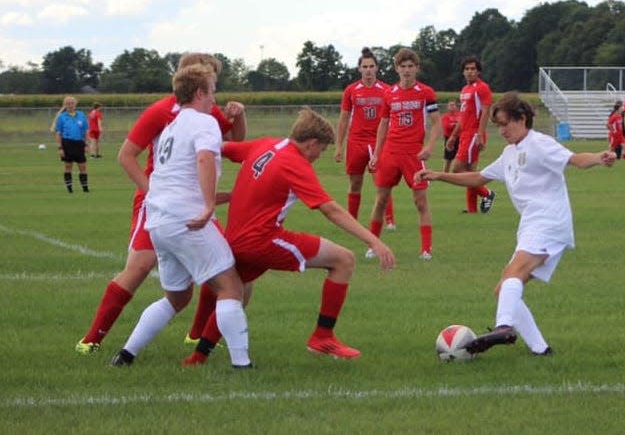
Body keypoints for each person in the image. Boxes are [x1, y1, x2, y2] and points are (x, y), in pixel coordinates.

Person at [181, 107, 395, 365]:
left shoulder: (266, 144)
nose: (319, 156)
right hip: (262, 241)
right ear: (312, 143)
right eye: (322, 150)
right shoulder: (295, 162)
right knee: (344, 260)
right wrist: (374, 240)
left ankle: (197, 357)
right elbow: (330, 209)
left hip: (234, 239)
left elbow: (221, 148)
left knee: (235, 293)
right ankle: (322, 336)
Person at [415, 92, 616, 356]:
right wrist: (439, 175)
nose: (501, 130)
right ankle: (542, 350)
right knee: (504, 289)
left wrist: (600, 157)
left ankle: (504, 327)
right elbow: (478, 178)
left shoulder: (540, 144)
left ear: (522, 120)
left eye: (505, 123)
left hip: (548, 221)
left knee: (513, 276)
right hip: (532, 225)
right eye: (497, 125)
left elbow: (575, 160)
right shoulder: (510, 153)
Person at [75, 53, 247, 354]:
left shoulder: (207, 112)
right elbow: (126, 155)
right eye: (207, 77)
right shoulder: (161, 110)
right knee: (140, 265)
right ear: (191, 80)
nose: (212, 87)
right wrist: (150, 191)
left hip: (190, 200)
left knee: (217, 264)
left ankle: (197, 335)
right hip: (159, 200)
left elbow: (232, 140)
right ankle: (92, 339)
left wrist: (239, 115)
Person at [365, 47, 441, 260]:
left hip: (413, 154)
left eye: (410, 66)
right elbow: (383, 124)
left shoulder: (426, 92)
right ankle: (373, 245)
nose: (407, 70)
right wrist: (377, 153)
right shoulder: (389, 93)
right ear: (397, 69)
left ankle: (426, 249)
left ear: (417, 68)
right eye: (403, 66)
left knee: (420, 202)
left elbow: (437, 124)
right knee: (381, 200)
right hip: (390, 152)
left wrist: (429, 147)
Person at [334, 47, 396, 229]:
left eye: (371, 66)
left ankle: (390, 220)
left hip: (378, 142)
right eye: (365, 66)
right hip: (356, 141)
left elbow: (393, 117)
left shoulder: (386, 90)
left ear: (377, 68)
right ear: (359, 69)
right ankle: (352, 221)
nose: (368, 70)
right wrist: (338, 145)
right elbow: (344, 119)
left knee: (382, 181)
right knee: (355, 183)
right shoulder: (351, 90)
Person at [448, 56, 496, 214]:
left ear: (478, 71)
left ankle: (487, 193)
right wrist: (454, 136)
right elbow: (463, 116)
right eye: (467, 69)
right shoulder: (465, 90)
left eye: (473, 69)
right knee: (470, 172)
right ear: (463, 71)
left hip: (473, 134)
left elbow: (485, 111)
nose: (470, 71)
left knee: (456, 170)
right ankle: (472, 210)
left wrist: (480, 134)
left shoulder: (482, 88)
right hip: (465, 134)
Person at [53, 95, 90, 193]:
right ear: (65, 105)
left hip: (79, 143)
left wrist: (86, 144)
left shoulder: (81, 115)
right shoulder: (61, 117)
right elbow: (58, 133)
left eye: (72, 103)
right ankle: (69, 189)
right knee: (68, 166)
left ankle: (85, 188)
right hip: (67, 143)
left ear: (75, 104)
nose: (70, 105)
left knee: (82, 166)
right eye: (68, 103)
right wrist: (60, 147)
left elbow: (86, 131)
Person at [440, 100, 461, 172]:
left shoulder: (460, 115)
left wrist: (454, 125)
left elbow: (463, 124)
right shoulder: (445, 116)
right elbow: (447, 126)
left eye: (453, 105)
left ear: (456, 106)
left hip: (459, 138)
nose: (452, 106)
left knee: (460, 157)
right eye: (450, 105)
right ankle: (445, 173)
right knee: (448, 158)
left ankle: (456, 172)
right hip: (449, 138)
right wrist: (456, 124)